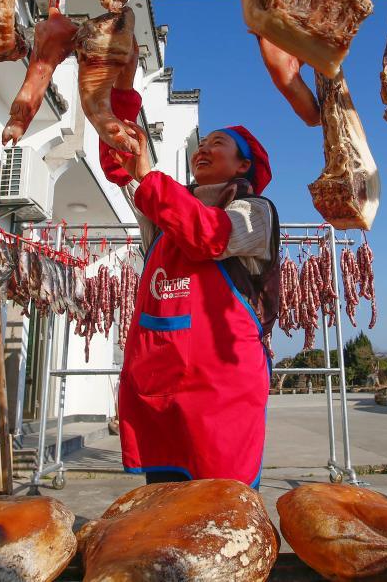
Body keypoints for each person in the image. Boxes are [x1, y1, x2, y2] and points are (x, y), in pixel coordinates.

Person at [98, 86, 279, 488]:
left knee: (221, 511)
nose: (204, 147)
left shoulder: (255, 212)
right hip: (160, 386)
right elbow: (121, 164)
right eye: (202, 142)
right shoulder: (163, 203)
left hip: (222, 392)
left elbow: (209, 237)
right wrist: (120, 102)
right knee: (163, 513)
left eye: (218, 143)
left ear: (242, 166)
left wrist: (148, 175)